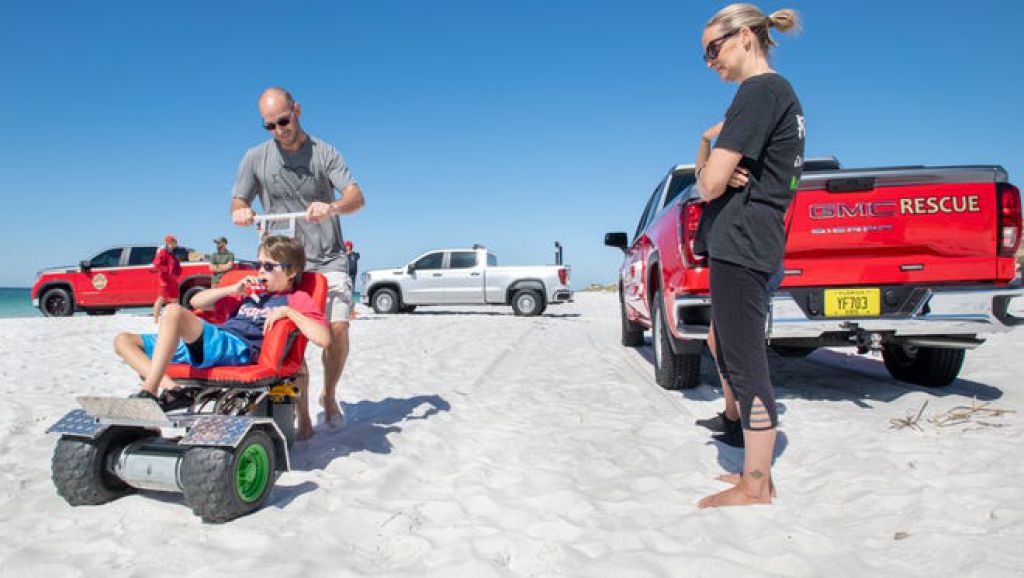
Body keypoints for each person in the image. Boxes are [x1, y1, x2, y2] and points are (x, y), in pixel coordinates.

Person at [692, 4, 804, 508]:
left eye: (712, 49)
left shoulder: (758, 92)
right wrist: (707, 151)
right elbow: (712, 174)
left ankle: (756, 483)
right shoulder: (774, 95)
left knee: (743, 356)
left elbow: (710, 184)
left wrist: (709, 174)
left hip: (742, 243)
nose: (710, 62)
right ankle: (754, 473)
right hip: (755, 240)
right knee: (723, 338)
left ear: (743, 38)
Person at [231, 87, 366, 441]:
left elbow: (356, 196)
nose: (279, 129)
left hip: (327, 257)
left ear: (297, 111)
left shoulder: (324, 153)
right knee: (288, 335)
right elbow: (237, 199)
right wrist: (241, 211)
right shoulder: (255, 158)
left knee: (336, 331)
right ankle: (300, 411)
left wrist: (332, 207)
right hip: (283, 263)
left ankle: (330, 395)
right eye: (270, 125)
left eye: (284, 121)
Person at [114, 236, 328, 406]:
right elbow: (196, 301)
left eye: (269, 266)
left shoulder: (296, 299)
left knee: (173, 311)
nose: (261, 270)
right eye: (259, 264)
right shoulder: (249, 293)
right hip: (214, 341)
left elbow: (323, 339)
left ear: (291, 271)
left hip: (236, 348)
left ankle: (149, 391)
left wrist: (289, 312)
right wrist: (233, 289)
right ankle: (172, 389)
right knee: (123, 341)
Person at [152, 235, 182, 323]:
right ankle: (156, 319)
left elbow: (176, 266)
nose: (176, 243)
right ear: (170, 242)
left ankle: (175, 318)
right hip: (164, 279)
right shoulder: (163, 252)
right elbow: (156, 265)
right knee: (161, 298)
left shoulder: (172, 253)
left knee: (175, 299)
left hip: (173, 280)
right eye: (175, 241)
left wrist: (178, 272)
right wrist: (168, 271)